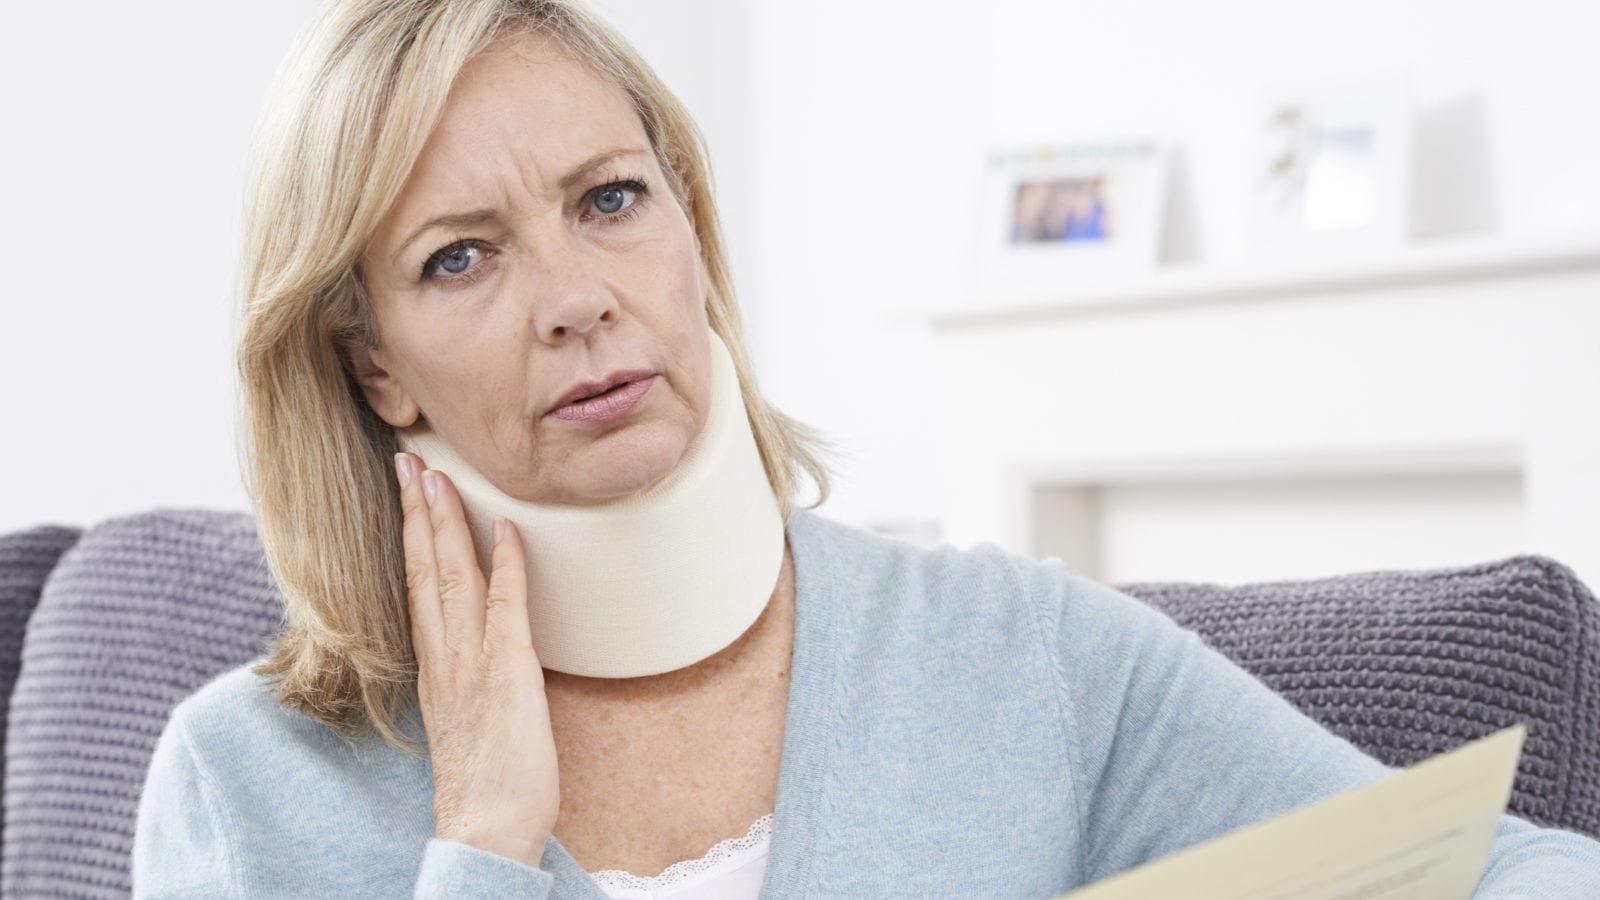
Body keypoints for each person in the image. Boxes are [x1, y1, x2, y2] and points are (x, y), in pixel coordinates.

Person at [131, 0, 1600, 897]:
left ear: (691, 227)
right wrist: (486, 842)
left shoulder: (1009, 653)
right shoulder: (243, 785)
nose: (579, 300)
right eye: (461, 258)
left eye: (610, 200)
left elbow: (1504, 869)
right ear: (372, 365)